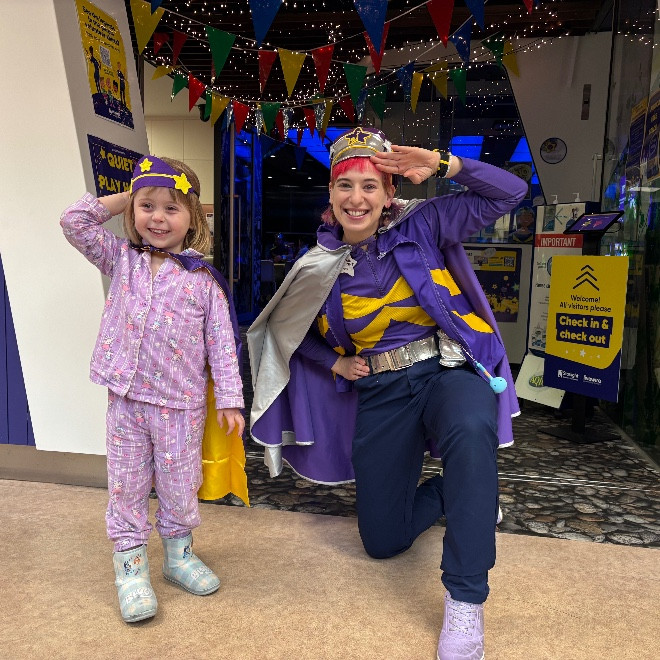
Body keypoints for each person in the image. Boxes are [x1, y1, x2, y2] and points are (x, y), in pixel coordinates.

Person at [248, 127, 527, 659]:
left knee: (471, 429)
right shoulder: (316, 264)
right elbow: (284, 332)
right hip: (380, 390)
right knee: (383, 541)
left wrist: (445, 164)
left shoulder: (424, 223)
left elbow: (511, 194)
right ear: (331, 193)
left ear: (388, 193)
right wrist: (333, 361)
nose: (357, 198)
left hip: (446, 370)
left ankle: (465, 599)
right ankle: (457, 493)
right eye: (345, 185)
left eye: (369, 186)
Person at [60, 155, 244, 623]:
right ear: (133, 212)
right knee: (126, 486)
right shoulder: (121, 258)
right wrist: (132, 192)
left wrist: (230, 398)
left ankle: (178, 557)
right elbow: (74, 221)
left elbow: (222, 343)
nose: (158, 218)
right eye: (148, 207)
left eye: (171, 208)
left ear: (192, 217)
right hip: (125, 400)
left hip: (180, 407)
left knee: (180, 485)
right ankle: (131, 571)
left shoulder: (203, 281)